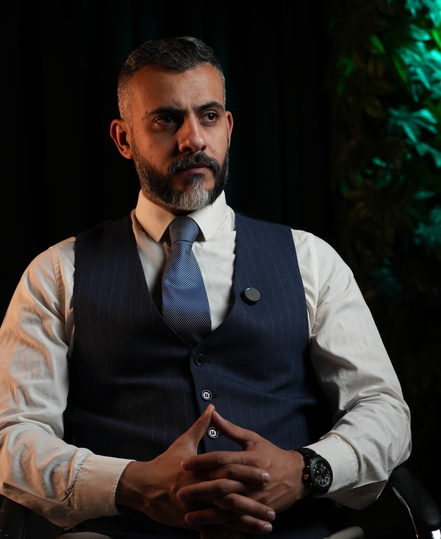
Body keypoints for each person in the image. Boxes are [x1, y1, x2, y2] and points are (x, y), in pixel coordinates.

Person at [0, 36, 411, 539]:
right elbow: (14, 436)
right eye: (166, 120)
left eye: (209, 116)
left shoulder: (311, 259)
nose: (193, 139)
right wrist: (129, 484)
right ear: (124, 138)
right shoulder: (56, 273)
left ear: (229, 128)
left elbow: (382, 408)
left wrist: (306, 470)